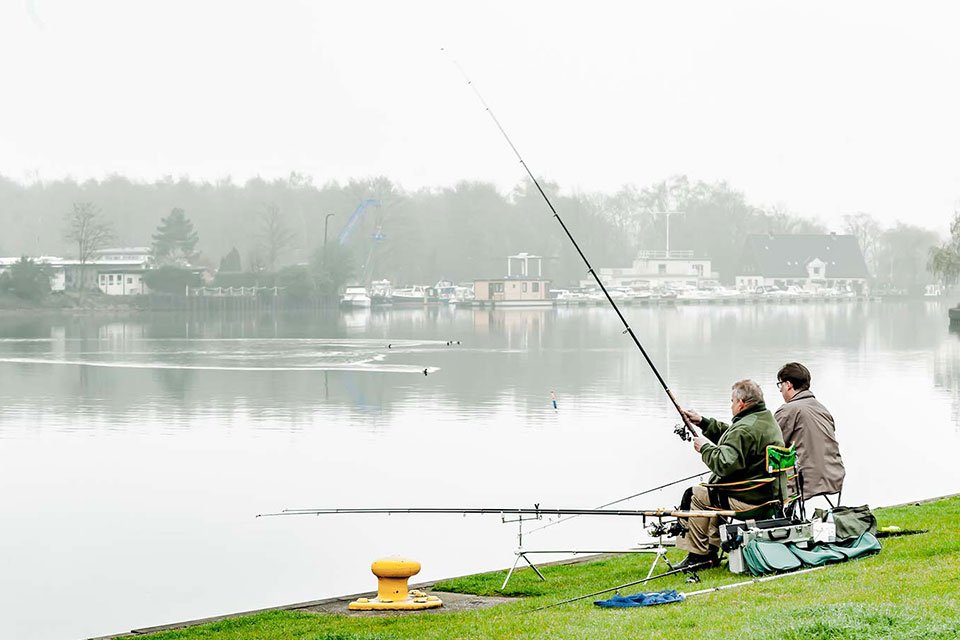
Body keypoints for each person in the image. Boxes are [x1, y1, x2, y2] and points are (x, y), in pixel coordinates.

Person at [676, 379, 785, 569]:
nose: (731, 405)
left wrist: (705, 448)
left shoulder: (744, 428)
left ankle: (698, 556)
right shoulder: (764, 419)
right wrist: (703, 422)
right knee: (711, 494)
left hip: (751, 501)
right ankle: (711, 550)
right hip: (769, 497)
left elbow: (723, 464)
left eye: (732, 401)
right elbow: (732, 438)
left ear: (741, 403)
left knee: (695, 495)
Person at [774, 362, 845, 503]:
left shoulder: (789, 410)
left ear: (788, 385)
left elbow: (772, 445)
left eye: (780, 385)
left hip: (803, 481)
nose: (781, 390)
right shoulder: (822, 409)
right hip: (834, 476)